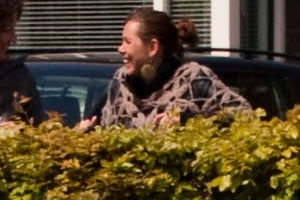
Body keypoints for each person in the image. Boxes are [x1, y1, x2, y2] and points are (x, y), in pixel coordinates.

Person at [90, 12, 248, 130]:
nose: (120, 48)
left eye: (127, 42)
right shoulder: (121, 81)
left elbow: (244, 115)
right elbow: (106, 132)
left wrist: (187, 120)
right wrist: (88, 134)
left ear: (152, 47)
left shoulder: (193, 78)